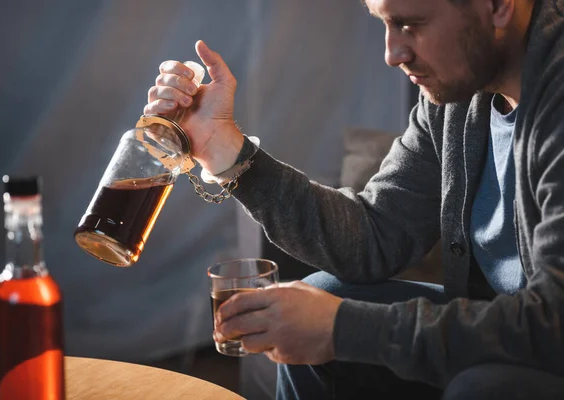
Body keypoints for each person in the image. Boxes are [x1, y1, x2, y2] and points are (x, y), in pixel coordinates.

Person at [144, 0, 564, 398]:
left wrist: (344, 329)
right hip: (499, 326)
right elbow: (374, 236)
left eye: (409, 24)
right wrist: (225, 150)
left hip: (542, 345)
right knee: (317, 300)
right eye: (383, 22)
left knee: (488, 388)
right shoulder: (459, 96)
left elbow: (552, 324)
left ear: (497, 5)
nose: (392, 53)